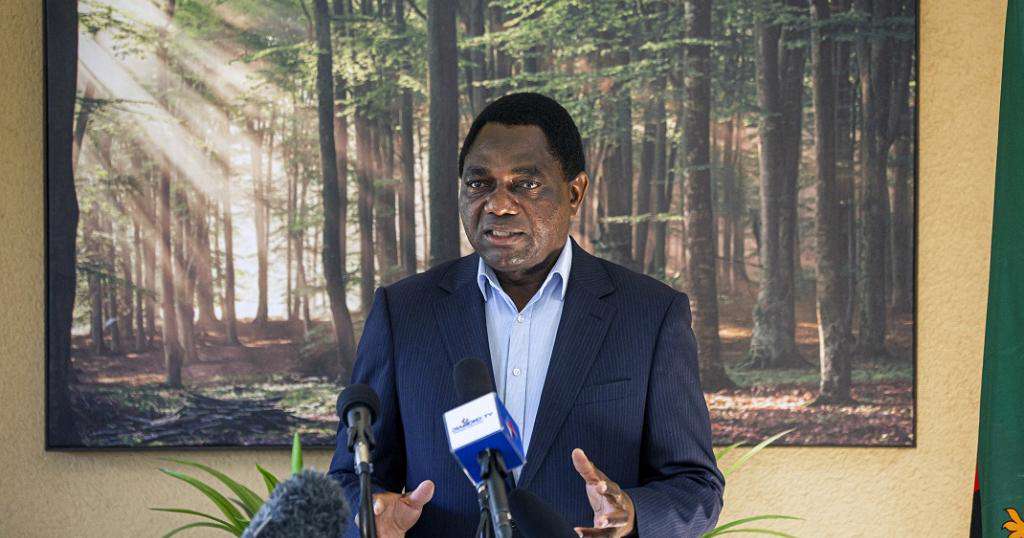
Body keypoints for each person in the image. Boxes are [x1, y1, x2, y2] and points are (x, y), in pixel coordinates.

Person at [329, 92, 724, 537]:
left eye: (526, 184)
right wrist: (369, 515)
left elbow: (696, 487)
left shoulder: (649, 315)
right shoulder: (404, 313)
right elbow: (348, 479)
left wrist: (632, 513)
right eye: (479, 184)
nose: (498, 205)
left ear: (574, 193)